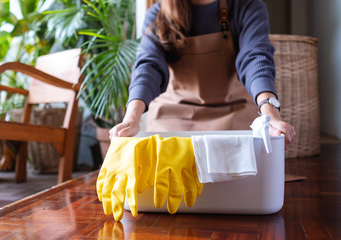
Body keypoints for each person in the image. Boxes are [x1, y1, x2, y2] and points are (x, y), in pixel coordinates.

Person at [109, 0, 296, 149]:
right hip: (173, 119)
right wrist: (131, 119)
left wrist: (270, 114)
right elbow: (148, 66)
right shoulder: (158, 14)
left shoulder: (249, 7)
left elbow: (256, 59)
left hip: (232, 117)